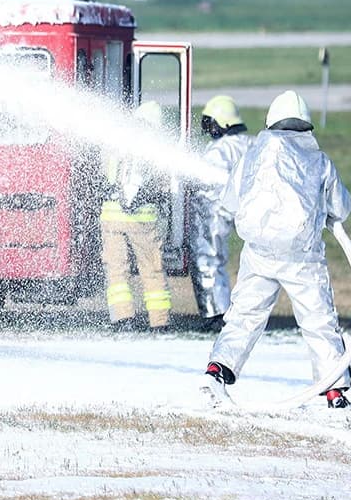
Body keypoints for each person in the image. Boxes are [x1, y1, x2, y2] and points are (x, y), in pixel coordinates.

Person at [201, 90, 351, 408]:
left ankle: (217, 369)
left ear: (271, 122)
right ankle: (334, 390)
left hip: (259, 252)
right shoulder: (320, 161)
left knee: (244, 315)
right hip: (302, 257)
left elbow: (230, 201)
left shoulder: (252, 156)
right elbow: (341, 208)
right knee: (318, 321)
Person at [100, 100, 174, 331]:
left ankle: (123, 320)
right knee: (152, 270)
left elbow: (105, 175)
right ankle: (159, 322)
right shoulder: (158, 149)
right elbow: (163, 186)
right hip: (143, 221)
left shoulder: (117, 144)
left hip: (112, 217)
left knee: (116, 270)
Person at [188, 95, 251, 325]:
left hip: (216, 210)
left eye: (210, 124)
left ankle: (216, 313)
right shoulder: (250, 144)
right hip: (249, 210)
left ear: (222, 123)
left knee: (207, 258)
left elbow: (205, 184)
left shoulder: (219, 150)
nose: (209, 130)